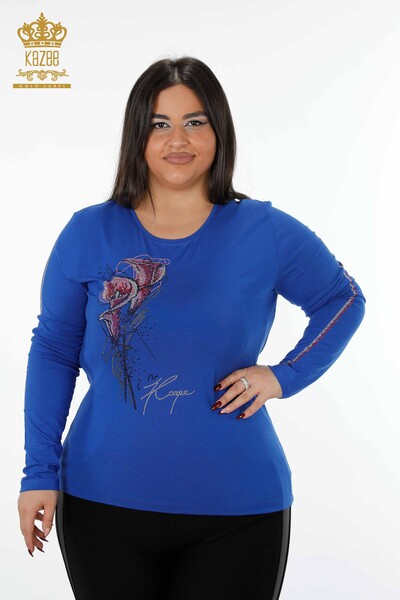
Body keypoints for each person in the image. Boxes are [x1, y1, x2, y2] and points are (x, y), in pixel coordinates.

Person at [17, 56, 366, 600]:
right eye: (160, 124)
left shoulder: (264, 231)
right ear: (137, 136)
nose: (177, 140)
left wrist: (285, 375)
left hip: (239, 509)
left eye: (195, 122)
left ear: (218, 130)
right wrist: (38, 471)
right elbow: (53, 352)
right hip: (100, 502)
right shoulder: (88, 232)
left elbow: (342, 300)